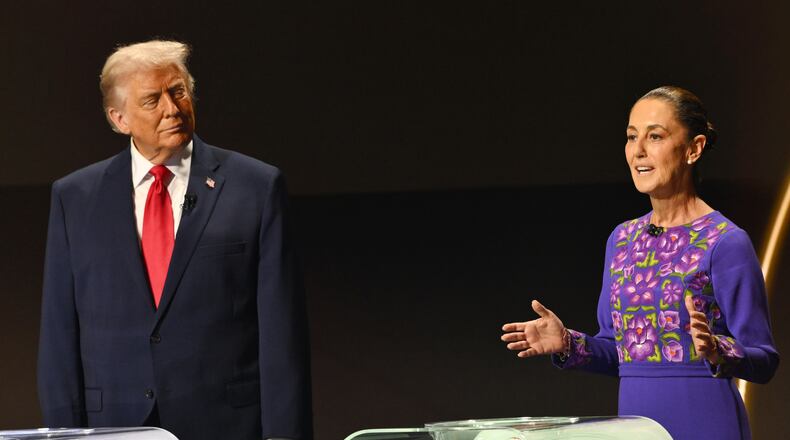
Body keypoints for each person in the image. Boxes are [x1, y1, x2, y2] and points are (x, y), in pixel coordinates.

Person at [37, 40, 312, 440]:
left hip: (226, 424)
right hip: (113, 425)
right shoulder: (74, 198)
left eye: (178, 91)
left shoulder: (255, 187)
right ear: (119, 118)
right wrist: (64, 435)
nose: (172, 108)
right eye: (152, 100)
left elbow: (282, 335)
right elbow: (59, 337)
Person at [500, 86, 779, 440]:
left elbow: (765, 359)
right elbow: (619, 354)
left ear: (694, 149)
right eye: (632, 137)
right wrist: (568, 343)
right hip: (638, 427)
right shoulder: (622, 239)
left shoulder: (725, 242)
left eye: (655, 136)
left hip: (707, 421)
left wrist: (718, 350)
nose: (639, 151)